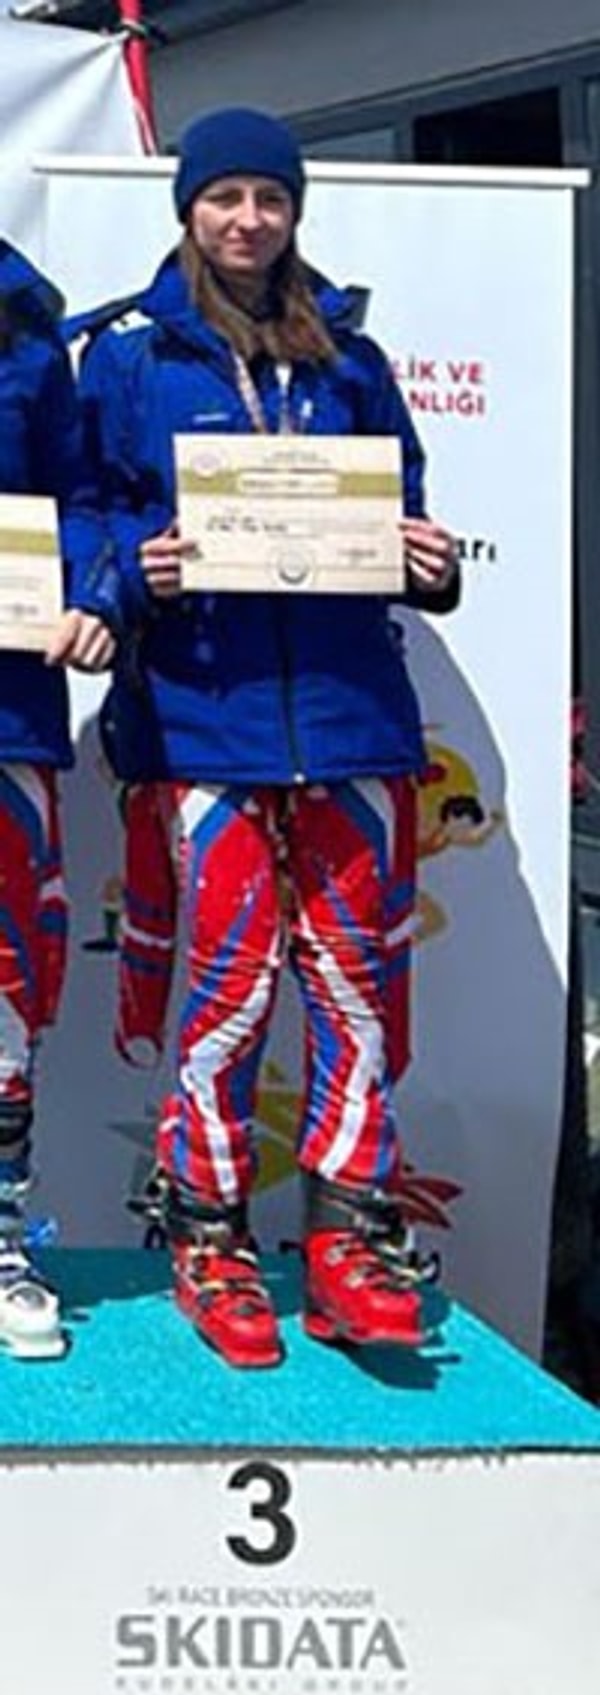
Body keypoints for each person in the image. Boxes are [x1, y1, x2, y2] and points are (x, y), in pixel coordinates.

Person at [76, 107, 460, 1370]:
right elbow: (88, 512)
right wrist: (129, 573)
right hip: (205, 719)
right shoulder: (129, 360)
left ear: (295, 212)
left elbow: (402, 503)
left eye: (270, 199)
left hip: (350, 720)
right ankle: (209, 1233)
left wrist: (428, 559)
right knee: (232, 988)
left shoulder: (350, 356)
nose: (248, 220)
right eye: (225, 196)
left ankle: (349, 1234)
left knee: (355, 986)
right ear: (188, 208)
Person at [0, 240, 115, 1359]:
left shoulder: (29, 339)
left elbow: (79, 502)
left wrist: (93, 598)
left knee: (3, 989)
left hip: (7, 712)